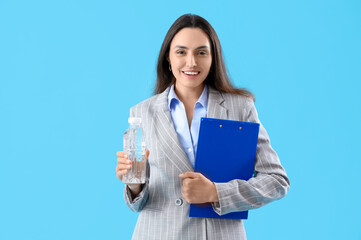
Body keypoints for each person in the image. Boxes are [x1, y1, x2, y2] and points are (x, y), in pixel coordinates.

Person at [116, 14, 289, 240]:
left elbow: (277, 180)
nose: (191, 62)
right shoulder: (141, 113)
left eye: (201, 52)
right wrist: (135, 184)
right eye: (181, 52)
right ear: (168, 57)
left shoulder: (240, 108)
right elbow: (138, 204)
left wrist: (216, 193)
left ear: (212, 58)